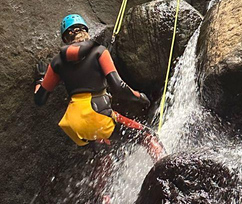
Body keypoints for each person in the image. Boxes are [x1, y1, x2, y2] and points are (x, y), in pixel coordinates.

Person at [34, 14, 165, 160]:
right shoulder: (99, 51)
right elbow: (119, 87)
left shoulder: (56, 62)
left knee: (104, 151)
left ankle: (102, 175)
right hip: (98, 115)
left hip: (74, 126)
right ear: (86, 32)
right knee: (148, 137)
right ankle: (167, 173)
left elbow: (40, 99)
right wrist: (140, 97)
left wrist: (40, 78)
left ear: (65, 39)